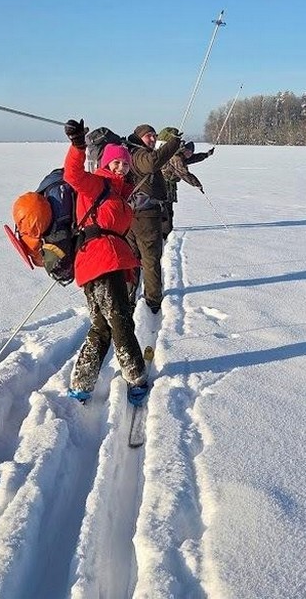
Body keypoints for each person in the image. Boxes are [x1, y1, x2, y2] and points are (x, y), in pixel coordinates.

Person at [61, 118, 149, 406]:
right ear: (105, 163)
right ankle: (136, 377)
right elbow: (72, 175)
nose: (121, 168)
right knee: (121, 321)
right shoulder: (95, 184)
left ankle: (81, 384)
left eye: (125, 164)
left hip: (103, 262)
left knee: (101, 326)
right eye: (116, 163)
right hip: (101, 260)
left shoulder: (119, 193)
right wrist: (77, 145)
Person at [125, 123, 182, 313]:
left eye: (154, 135)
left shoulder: (132, 151)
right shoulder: (139, 154)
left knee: (132, 258)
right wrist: (173, 144)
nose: (153, 139)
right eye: (148, 136)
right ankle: (153, 300)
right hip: (145, 216)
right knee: (150, 259)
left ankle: (129, 296)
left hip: (133, 215)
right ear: (139, 137)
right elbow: (153, 162)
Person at [156, 126, 215, 239]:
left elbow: (193, 158)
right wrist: (197, 184)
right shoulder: (177, 157)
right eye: (188, 152)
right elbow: (184, 174)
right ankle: (165, 233)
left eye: (191, 152)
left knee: (168, 209)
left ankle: (166, 230)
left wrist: (206, 154)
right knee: (166, 209)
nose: (190, 154)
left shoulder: (181, 156)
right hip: (165, 185)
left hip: (169, 185)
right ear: (184, 150)